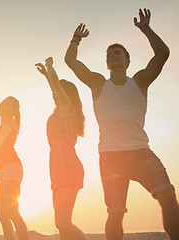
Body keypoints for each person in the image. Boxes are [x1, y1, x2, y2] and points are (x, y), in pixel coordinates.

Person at [65, 8, 179, 240]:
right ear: (107, 64)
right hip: (111, 157)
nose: (112, 56)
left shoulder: (139, 81)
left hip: (141, 153)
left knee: (168, 197)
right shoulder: (98, 83)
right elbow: (70, 60)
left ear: (127, 60)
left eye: (117, 53)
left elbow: (163, 53)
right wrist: (76, 39)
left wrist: (146, 29)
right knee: (115, 214)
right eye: (109, 55)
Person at [36, 57, 87, 240]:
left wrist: (50, 68)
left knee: (62, 222)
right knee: (62, 227)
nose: (54, 93)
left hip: (67, 167)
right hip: (57, 170)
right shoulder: (59, 111)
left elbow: (57, 88)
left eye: (58, 91)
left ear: (67, 96)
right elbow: (56, 89)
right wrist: (48, 78)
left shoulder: (67, 109)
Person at [0, 96, 29, 240]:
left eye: (8, 104)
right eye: (3, 102)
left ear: (14, 111)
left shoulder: (9, 123)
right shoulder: (3, 125)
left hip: (12, 167)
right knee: (3, 215)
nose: (2, 105)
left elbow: (1, 139)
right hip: (3, 169)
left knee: (12, 211)